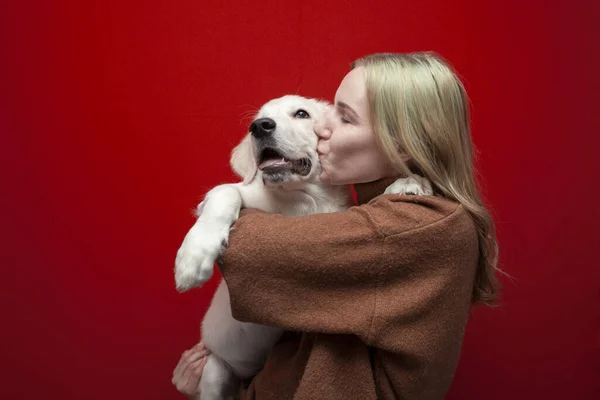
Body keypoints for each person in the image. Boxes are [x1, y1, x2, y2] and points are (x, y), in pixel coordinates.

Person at [172, 52, 500, 399]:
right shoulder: (370, 215)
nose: (321, 128)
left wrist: (222, 215)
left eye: (344, 118)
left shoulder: (418, 226)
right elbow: (290, 358)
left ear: (402, 142)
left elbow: (256, 258)